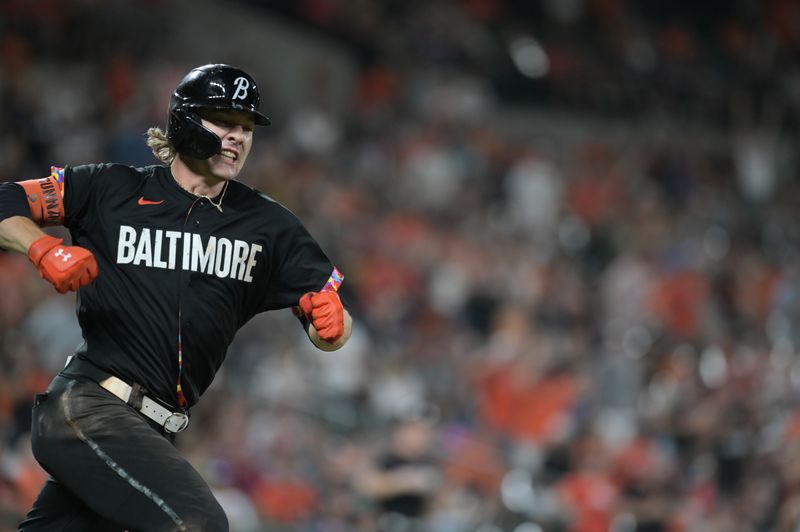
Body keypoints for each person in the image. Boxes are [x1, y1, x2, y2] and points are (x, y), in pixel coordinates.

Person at [0, 63, 352, 531]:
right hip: (89, 407)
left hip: (151, 433)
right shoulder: (111, 188)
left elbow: (330, 325)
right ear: (185, 121)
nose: (238, 137)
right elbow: (5, 201)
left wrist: (331, 323)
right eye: (224, 122)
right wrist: (41, 248)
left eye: (246, 128)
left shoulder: (269, 226)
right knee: (198, 523)